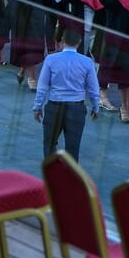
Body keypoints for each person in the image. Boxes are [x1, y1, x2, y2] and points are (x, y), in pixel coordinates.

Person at [35, 25, 101, 159]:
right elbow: (94, 89)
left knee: (49, 144)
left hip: (54, 106)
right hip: (76, 108)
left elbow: (42, 86)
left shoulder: (51, 59)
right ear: (79, 42)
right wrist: (95, 107)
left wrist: (37, 106)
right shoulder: (87, 62)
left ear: (62, 40)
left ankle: (50, 176)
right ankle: (70, 177)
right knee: (73, 148)